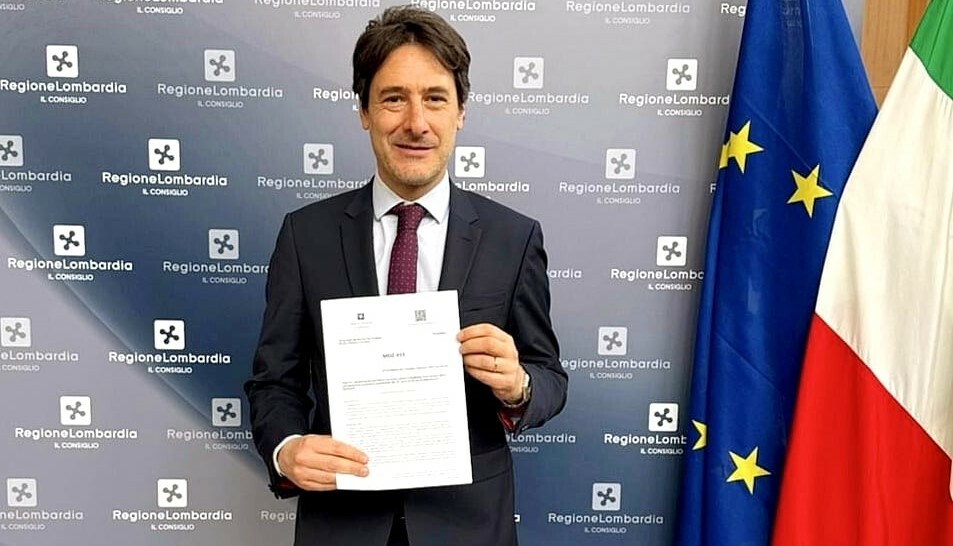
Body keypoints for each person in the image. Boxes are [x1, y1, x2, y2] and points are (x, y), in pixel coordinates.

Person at [244, 6, 568, 545]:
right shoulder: (306, 235)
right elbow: (274, 381)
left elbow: (550, 377)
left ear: (460, 112)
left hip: (469, 528)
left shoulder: (513, 238)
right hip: (342, 524)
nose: (416, 123)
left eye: (435, 98)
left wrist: (519, 386)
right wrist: (286, 449)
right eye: (394, 98)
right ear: (364, 112)